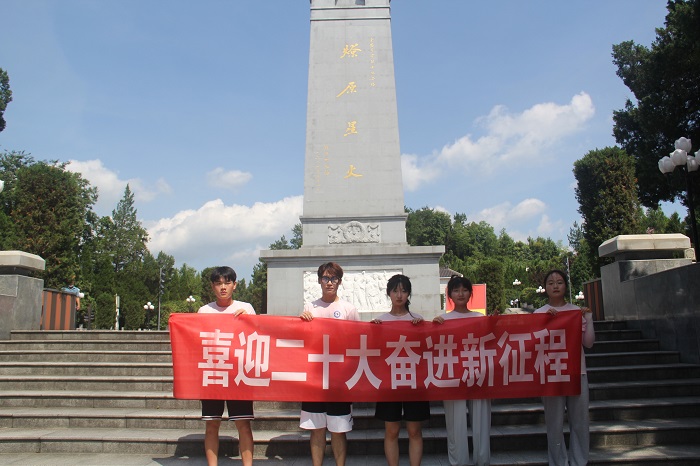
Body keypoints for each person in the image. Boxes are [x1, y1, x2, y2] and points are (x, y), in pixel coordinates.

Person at [299, 262, 360, 466]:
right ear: (319, 281)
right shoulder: (310, 308)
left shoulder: (348, 309)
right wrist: (301, 322)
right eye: (325, 278)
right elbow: (302, 340)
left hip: (339, 380)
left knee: (338, 430)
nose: (330, 282)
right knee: (317, 429)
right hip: (315, 380)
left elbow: (358, 341)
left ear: (340, 282)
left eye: (334, 278)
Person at [534, 270, 595, 466]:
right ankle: (558, 461)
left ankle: (579, 460)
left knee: (580, 421)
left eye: (559, 282)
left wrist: (589, 319)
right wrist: (546, 322)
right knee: (554, 423)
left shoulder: (576, 311)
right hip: (551, 374)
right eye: (551, 283)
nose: (555, 286)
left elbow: (588, 343)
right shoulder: (539, 313)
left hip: (577, 372)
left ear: (565, 286)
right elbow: (533, 344)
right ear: (545, 288)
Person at [198, 266, 256, 466]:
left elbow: (258, 336)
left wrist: (248, 320)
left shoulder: (246, 308)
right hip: (213, 373)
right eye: (218, 283)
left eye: (227, 283)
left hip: (238, 375)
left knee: (243, 425)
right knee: (212, 425)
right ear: (212, 286)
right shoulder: (204, 311)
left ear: (234, 285)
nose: (223, 287)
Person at [370, 274, 429, 466]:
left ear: (409, 294)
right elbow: (375, 352)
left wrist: (423, 329)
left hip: (414, 381)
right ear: (389, 293)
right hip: (390, 382)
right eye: (395, 291)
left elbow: (427, 349)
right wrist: (373, 332)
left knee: (414, 430)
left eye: (403, 291)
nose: (399, 295)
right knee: (392, 430)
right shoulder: (381, 321)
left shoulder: (417, 320)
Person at [433, 275, 491, 466]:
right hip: (453, 375)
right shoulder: (443, 320)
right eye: (456, 290)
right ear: (449, 294)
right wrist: (433, 328)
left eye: (464, 290)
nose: (460, 294)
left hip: (477, 373)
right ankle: (459, 461)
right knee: (455, 422)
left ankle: (482, 460)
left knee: (481, 421)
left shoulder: (480, 318)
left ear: (470, 293)